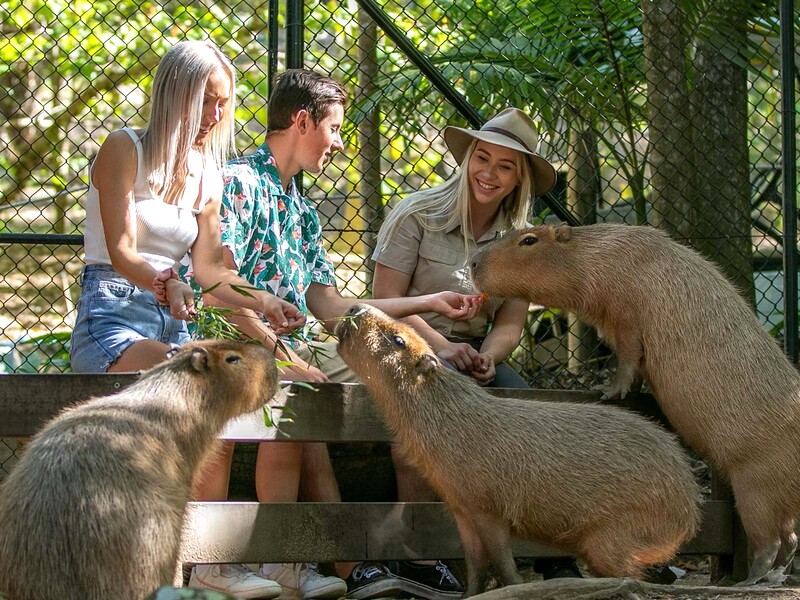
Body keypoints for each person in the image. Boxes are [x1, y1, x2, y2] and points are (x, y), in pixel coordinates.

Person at [184, 68, 483, 600]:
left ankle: (415, 554)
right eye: (335, 128)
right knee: (302, 392)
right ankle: (320, 561)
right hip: (243, 340)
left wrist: (425, 303)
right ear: (303, 121)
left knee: (408, 374)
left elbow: (328, 305)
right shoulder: (236, 184)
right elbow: (217, 295)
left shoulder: (300, 207)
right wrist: (282, 353)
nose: (340, 143)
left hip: (300, 344)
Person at [69, 40, 307, 600]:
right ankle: (177, 570)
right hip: (114, 312)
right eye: (208, 102)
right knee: (203, 388)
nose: (217, 116)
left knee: (221, 390)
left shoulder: (208, 173)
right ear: (177, 95)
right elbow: (124, 250)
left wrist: (261, 301)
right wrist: (164, 280)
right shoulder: (123, 147)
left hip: (175, 322)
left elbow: (208, 271)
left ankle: (207, 566)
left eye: (225, 104)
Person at [372, 107, 584, 582]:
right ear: (467, 159)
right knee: (427, 413)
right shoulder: (418, 213)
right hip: (407, 344)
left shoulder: (519, 242)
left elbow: (510, 324)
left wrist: (489, 357)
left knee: (526, 405)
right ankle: (419, 555)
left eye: (505, 166)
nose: (489, 173)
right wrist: (440, 347)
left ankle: (551, 551)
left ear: (518, 180)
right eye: (482, 158)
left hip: (472, 357)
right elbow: (383, 304)